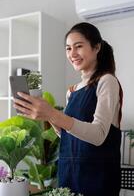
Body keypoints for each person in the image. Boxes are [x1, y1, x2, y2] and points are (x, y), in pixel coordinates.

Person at [14, 22, 123, 196]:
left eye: (78, 46)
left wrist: (52, 113)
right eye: (68, 48)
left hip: (97, 178)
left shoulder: (106, 81)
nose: (72, 54)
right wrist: (48, 116)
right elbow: (67, 133)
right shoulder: (71, 91)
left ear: (96, 47)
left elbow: (98, 135)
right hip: (69, 174)